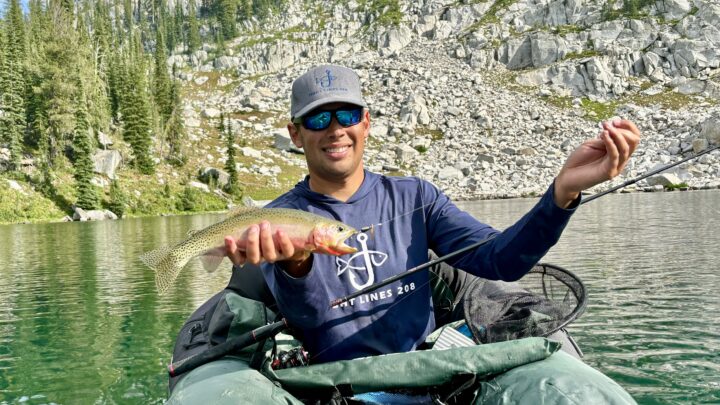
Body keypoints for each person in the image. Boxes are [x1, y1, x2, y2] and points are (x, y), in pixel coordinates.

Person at [223, 64, 641, 364]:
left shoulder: (416, 196)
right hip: (336, 385)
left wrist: (563, 191)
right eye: (318, 117)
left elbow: (501, 260)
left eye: (347, 115)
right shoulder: (278, 218)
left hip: (426, 375)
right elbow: (310, 320)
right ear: (296, 133)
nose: (335, 129)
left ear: (366, 123)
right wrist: (297, 264)